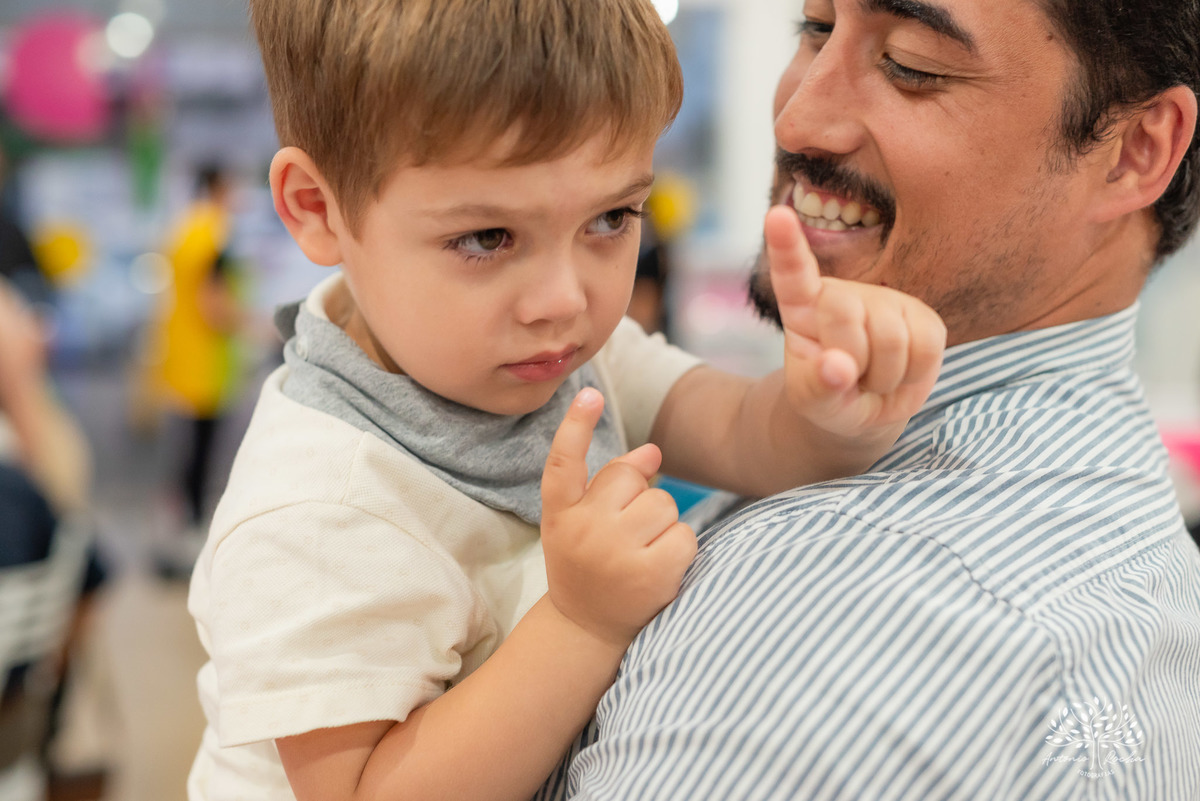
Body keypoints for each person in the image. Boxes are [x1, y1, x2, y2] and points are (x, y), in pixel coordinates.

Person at [185, 1, 949, 799]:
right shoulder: (318, 508)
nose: (563, 299)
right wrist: (581, 621)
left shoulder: (562, 358)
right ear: (318, 208)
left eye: (611, 219)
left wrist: (828, 411)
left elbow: (739, 432)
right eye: (486, 238)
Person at [536, 1, 1200, 799]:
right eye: (814, 30)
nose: (797, 114)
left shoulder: (845, 613)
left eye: (912, 66)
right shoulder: (1124, 542)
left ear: (1135, 150)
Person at [148, 164, 244, 569]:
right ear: (218, 187)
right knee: (202, 451)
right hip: (209, 360)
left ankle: (179, 527)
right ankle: (191, 531)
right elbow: (213, 302)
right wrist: (251, 323)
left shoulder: (183, 229)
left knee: (186, 447)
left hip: (180, 356)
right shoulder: (215, 233)